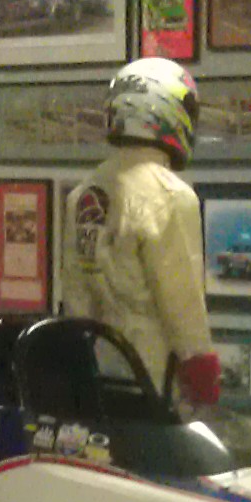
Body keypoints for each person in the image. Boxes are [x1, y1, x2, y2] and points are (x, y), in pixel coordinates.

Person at [62, 58, 222, 410]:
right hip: (149, 379)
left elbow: (75, 298)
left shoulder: (84, 192)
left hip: (92, 377)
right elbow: (182, 303)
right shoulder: (171, 196)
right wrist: (203, 376)